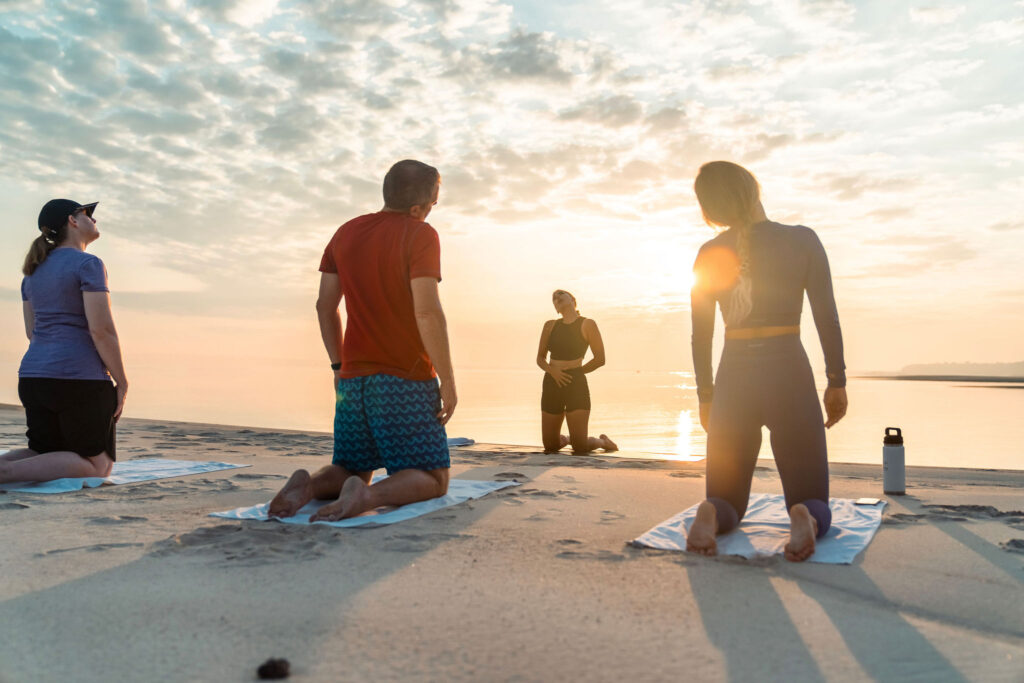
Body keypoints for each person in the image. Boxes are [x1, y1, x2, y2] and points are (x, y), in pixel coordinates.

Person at [269, 160, 457, 521]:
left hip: (353, 379)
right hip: (404, 377)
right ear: (417, 208)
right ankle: (366, 498)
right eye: (434, 202)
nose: (433, 209)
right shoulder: (420, 234)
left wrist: (338, 366)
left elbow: (325, 306)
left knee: (351, 466)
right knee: (434, 477)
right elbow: (427, 312)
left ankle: (308, 487)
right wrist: (447, 381)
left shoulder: (346, 233)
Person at [686, 161, 848, 562]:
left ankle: (709, 512)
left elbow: (701, 335)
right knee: (813, 497)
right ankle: (803, 517)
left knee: (726, 500)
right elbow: (826, 314)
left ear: (713, 210)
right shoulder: (802, 240)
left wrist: (706, 396)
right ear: (753, 189)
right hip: (787, 370)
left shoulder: (708, 252)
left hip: (733, 376)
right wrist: (836, 379)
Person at [1, 199, 128, 484]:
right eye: (88, 214)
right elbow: (101, 330)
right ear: (73, 221)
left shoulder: (32, 273)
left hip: (34, 378)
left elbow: (32, 332)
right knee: (98, 466)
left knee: (44, 451)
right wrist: (122, 382)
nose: (94, 220)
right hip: (77, 380)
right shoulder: (88, 264)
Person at [536, 289, 618, 455]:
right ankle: (566, 439)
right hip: (552, 382)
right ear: (555, 308)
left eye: (561, 294)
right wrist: (553, 372)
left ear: (573, 300)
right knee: (550, 447)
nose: (556, 297)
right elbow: (540, 358)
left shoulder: (587, 324)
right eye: (554, 298)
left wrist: (577, 372)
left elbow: (600, 359)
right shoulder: (550, 325)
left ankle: (603, 441)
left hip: (576, 385)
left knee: (580, 447)